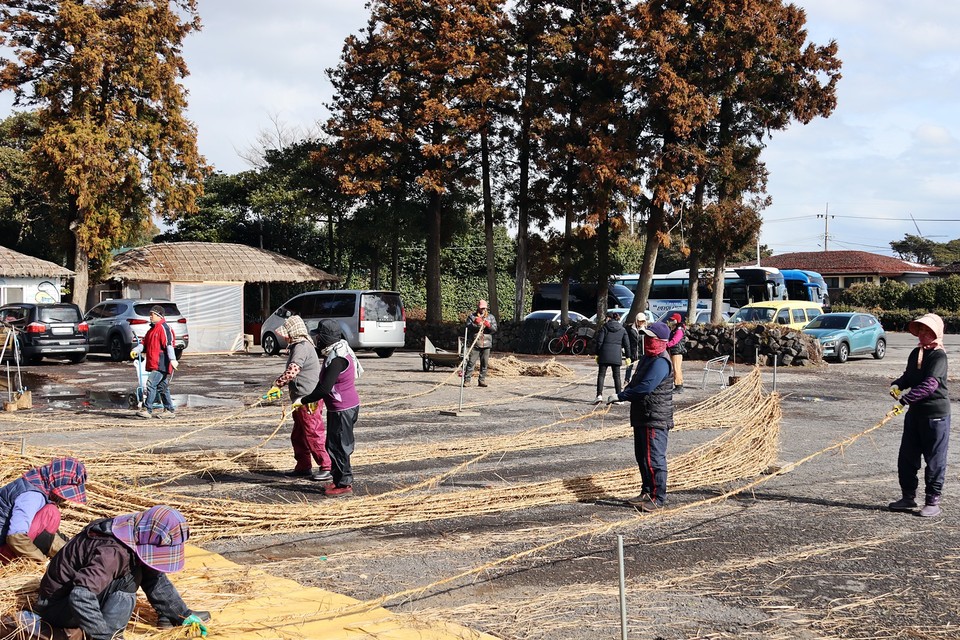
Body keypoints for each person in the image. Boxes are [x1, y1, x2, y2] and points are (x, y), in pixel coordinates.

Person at [22, 505, 210, 639]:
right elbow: (81, 595)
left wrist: (182, 615)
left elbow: (154, 576)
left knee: (141, 567)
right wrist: (103, 636)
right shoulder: (114, 552)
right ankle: (113, 635)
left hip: (66, 601)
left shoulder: (136, 529)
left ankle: (171, 615)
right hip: (57, 608)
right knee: (130, 577)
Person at [888, 312, 951, 517]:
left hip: (935, 416)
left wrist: (904, 401)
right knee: (907, 457)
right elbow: (909, 376)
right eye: (921, 329)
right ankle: (908, 497)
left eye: (927, 330)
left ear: (936, 333)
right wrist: (898, 385)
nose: (923, 333)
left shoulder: (938, 356)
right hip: (915, 414)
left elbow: (930, 384)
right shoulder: (916, 353)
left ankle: (932, 501)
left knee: (934, 460)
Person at [613, 321, 674, 512]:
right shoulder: (647, 358)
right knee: (642, 457)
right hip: (642, 415)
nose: (647, 341)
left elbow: (646, 387)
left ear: (661, 341)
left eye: (651, 338)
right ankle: (647, 491)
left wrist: (622, 396)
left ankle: (658, 498)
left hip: (655, 417)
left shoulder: (661, 362)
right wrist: (625, 390)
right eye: (646, 337)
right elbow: (636, 382)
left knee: (654, 459)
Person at [300, 319, 363, 497]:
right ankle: (338, 479)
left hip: (344, 409)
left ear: (325, 338)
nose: (317, 339)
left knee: (340, 447)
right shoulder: (335, 351)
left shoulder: (338, 359)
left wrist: (304, 400)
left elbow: (324, 388)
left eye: (319, 336)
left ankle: (344, 484)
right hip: (338, 408)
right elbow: (323, 385)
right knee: (332, 444)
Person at [266, 315, 331, 481]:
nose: (285, 337)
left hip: (308, 399)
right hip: (299, 399)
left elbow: (293, 370)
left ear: (293, 333)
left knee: (313, 432)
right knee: (299, 434)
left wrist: (277, 384)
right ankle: (303, 466)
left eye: (286, 334)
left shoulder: (301, 347)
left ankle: (326, 466)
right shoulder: (300, 345)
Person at [0, 457, 87, 564]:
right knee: (51, 513)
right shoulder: (32, 496)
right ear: (58, 482)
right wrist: (42, 561)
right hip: (4, 550)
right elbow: (15, 537)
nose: (64, 499)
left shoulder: (38, 483)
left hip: (7, 542)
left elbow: (45, 533)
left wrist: (71, 553)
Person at [131, 305, 179, 419]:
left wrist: (173, 359)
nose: (150, 317)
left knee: (151, 384)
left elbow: (169, 344)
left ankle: (147, 410)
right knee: (162, 387)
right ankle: (169, 410)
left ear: (159, 315)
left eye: (152, 314)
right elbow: (144, 343)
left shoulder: (164, 328)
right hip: (154, 363)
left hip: (161, 363)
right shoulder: (152, 330)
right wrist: (136, 350)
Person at [593, 311, 630, 403]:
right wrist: (628, 357)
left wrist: (597, 354)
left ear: (608, 318)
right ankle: (619, 397)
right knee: (617, 376)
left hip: (604, 354)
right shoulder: (622, 329)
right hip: (616, 355)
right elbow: (627, 344)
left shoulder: (605, 327)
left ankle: (599, 396)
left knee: (601, 375)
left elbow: (599, 342)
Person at [464, 299, 498, 387]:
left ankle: (482, 380)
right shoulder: (472, 316)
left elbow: (494, 329)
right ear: (478, 308)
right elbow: (467, 326)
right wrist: (475, 324)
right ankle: (467, 380)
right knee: (471, 362)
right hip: (475, 343)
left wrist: (488, 325)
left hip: (486, 343)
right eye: (482, 308)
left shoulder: (491, 317)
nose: (483, 309)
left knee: (484, 364)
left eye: (484, 308)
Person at [665, 312, 687, 393]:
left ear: (677, 320)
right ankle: (679, 385)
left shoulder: (679, 330)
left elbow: (675, 341)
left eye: (673, 320)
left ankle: (679, 386)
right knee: (676, 368)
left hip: (677, 352)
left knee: (676, 369)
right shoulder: (675, 329)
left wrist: (666, 345)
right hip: (674, 351)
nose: (671, 321)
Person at [624, 313, 647, 385]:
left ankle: (639, 381)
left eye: (643, 321)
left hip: (642, 352)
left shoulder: (646, 329)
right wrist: (625, 349)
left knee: (641, 368)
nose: (641, 322)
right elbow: (626, 339)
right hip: (632, 351)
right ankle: (626, 380)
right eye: (640, 321)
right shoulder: (630, 328)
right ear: (636, 320)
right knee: (629, 366)